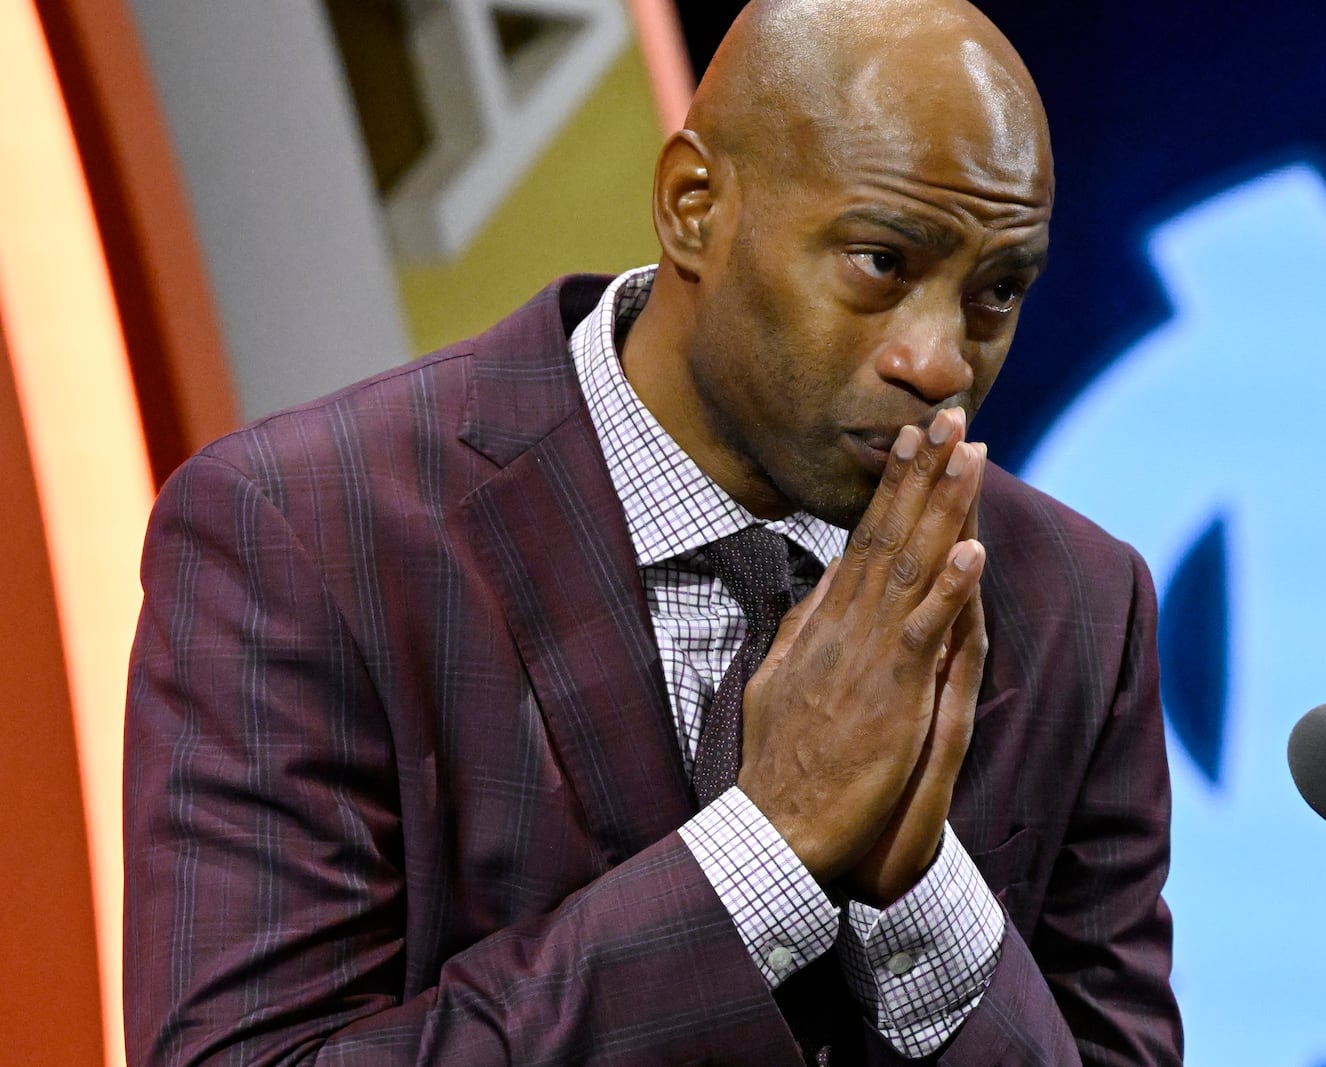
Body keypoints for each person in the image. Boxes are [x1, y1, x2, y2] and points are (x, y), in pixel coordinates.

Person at [123, 0, 1182, 1062]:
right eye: (880, 262)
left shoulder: (1077, 603)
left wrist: (919, 900)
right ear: (693, 205)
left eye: (997, 290)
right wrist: (768, 848)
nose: (940, 361)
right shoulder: (308, 537)